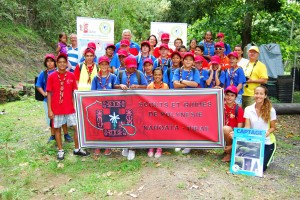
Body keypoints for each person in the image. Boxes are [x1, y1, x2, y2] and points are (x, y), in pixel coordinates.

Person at [46, 53, 90, 160]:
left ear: (66, 64)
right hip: (56, 108)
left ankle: (77, 148)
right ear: (57, 63)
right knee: (57, 128)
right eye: (59, 62)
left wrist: (77, 106)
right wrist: (50, 110)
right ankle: (60, 150)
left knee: (76, 127)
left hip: (70, 107)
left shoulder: (71, 75)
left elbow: (74, 92)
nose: (62, 64)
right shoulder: (51, 77)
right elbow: (49, 94)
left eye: (64, 62)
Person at [114, 56, 148, 160]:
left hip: (136, 104)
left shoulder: (139, 74)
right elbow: (115, 85)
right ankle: (125, 144)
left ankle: (133, 147)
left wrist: (137, 86)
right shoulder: (120, 73)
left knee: (134, 123)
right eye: (130, 67)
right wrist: (121, 85)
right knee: (124, 122)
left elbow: (145, 85)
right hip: (123, 103)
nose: (132, 69)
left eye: (134, 67)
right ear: (125, 66)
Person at [36, 54, 73, 143]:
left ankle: (66, 134)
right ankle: (53, 135)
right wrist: (44, 93)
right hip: (48, 100)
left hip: (60, 99)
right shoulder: (43, 74)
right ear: (45, 63)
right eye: (48, 61)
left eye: (51, 61)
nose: (50, 63)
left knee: (63, 117)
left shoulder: (60, 71)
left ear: (55, 62)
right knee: (51, 117)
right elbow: (38, 85)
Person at [244, 85, 276, 171]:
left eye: (261, 94)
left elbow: (273, 127)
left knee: (259, 169)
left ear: (265, 96)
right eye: (256, 93)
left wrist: (268, 132)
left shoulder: (271, 110)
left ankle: (269, 155)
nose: (258, 96)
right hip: (254, 142)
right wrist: (238, 134)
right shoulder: (248, 109)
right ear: (254, 95)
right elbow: (247, 127)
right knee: (247, 166)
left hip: (267, 142)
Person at [173, 52, 200, 154]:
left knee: (190, 121)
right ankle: (179, 142)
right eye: (186, 59)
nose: (188, 61)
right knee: (179, 120)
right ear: (182, 60)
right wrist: (187, 83)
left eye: (190, 60)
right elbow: (175, 85)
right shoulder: (177, 70)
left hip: (192, 100)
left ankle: (189, 143)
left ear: (193, 62)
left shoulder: (195, 71)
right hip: (179, 99)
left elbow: (195, 84)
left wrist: (182, 81)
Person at [91, 56, 117, 157]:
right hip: (99, 105)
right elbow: (92, 92)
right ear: (99, 65)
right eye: (102, 64)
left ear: (108, 65)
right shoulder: (95, 78)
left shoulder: (113, 77)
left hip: (110, 106)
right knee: (99, 124)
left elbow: (116, 91)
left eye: (106, 64)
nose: (104, 66)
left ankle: (108, 145)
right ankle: (98, 144)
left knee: (109, 125)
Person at [147, 67, 169, 157]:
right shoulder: (149, 86)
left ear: (162, 75)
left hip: (162, 112)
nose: (157, 76)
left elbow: (168, 100)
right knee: (152, 129)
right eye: (155, 74)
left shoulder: (165, 86)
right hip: (152, 112)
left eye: (159, 74)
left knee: (160, 129)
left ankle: (159, 148)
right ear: (152, 75)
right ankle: (151, 147)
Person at [222, 86, 245, 162]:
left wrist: (236, 137)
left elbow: (239, 128)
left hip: (232, 134)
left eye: (232, 95)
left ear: (236, 97)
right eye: (227, 95)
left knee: (226, 128)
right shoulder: (220, 106)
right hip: (220, 132)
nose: (229, 97)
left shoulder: (238, 109)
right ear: (224, 95)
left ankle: (229, 153)